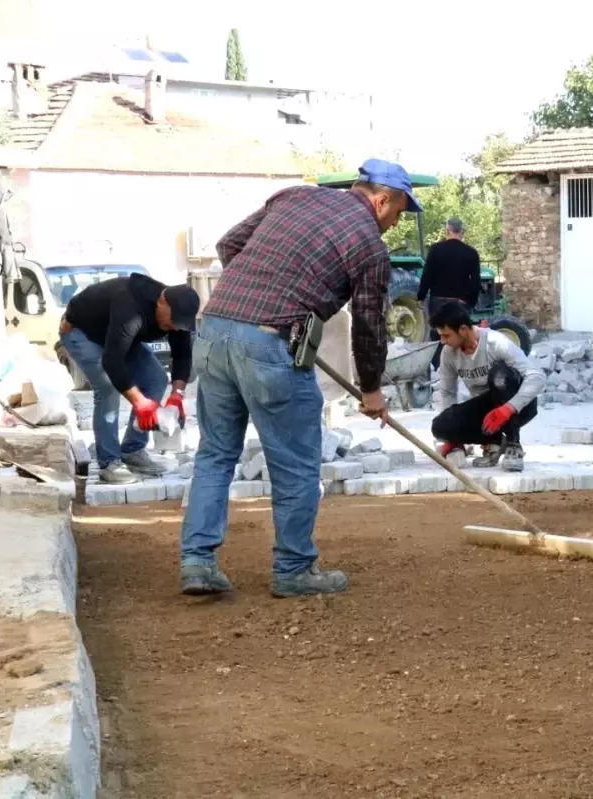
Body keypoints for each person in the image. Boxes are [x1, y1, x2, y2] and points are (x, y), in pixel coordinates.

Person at [179, 158, 420, 599]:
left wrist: (258, 291)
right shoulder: (368, 244)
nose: (395, 223)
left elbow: (229, 243)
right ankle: (292, 569)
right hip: (270, 345)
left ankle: (197, 562)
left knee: (215, 455)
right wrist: (371, 391)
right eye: (399, 212)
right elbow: (368, 324)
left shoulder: (295, 195)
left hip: (213, 330)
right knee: (295, 466)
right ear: (383, 199)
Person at [59, 273, 200, 484]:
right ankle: (109, 462)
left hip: (116, 337)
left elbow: (182, 355)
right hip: (81, 332)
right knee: (107, 388)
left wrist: (176, 396)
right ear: (161, 302)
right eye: (172, 322)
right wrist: (141, 403)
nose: (174, 327)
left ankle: (133, 451)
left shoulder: (177, 313)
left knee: (156, 379)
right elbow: (112, 362)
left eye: (179, 324)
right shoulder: (130, 307)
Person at [430, 302, 544, 473]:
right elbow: (447, 392)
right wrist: (453, 437)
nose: (443, 341)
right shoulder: (448, 353)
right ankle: (496, 441)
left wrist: (508, 408)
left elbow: (537, 377)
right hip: (486, 410)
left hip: (516, 406)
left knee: (500, 376)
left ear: (462, 330)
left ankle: (514, 445)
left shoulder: (494, 342)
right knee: (439, 426)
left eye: (446, 335)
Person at [418, 217, 481, 369]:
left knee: (440, 336)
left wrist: (420, 297)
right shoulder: (471, 253)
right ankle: (463, 370)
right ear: (462, 232)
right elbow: (476, 282)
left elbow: (427, 275)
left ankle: (440, 371)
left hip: (438, 302)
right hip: (460, 303)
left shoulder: (435, 250)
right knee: (460, 336)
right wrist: (471, 302)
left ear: (447, 230)